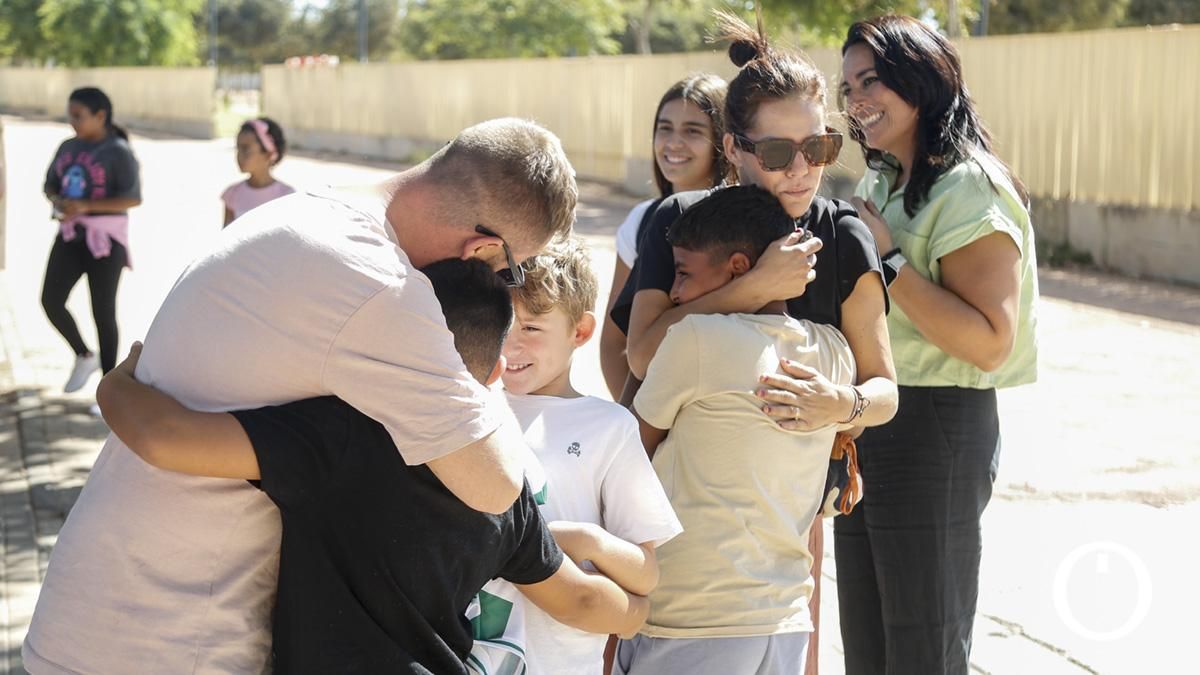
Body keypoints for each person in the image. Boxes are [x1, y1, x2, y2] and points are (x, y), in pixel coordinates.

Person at [24, 117, 578, 674]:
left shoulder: (301, 213)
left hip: (103, 610)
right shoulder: (380, 286)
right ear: (483, 250)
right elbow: (494, 485)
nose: (506, 279)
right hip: (172, 638)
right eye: (513, 269)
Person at [93, 258, 649, 674]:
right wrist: (638, 607)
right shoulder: (504, 486)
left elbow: (161, 437)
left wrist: (119, 377)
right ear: (496, 370)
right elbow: (581, 600)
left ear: (400, 344)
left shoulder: (338, 435)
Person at [611, 12, 900, 673]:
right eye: (777, 153)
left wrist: (841, 404)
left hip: (788, 517)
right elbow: (643, 352)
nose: (802, 170)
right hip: (677, 530)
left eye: (819, 147)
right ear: (734, 148)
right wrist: (754, 286)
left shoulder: (845, 235)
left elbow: (884, 389)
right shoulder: (678, 220)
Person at [835, 16, 1040, 675]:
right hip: (869, 417)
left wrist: (889, 259)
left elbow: (988, 342)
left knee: (923, 647)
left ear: (920, 81)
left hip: (937, 427)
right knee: (868, 645)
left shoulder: (968, 187)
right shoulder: (880, 182)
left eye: (871, 81)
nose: (856, 100)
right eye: (847, 87)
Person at [616, 185, 856, 675]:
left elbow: (628, 455)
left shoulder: (695, 339)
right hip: (786, 621)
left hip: (692, 617)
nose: (676, 293)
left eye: (684, 273)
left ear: (741, 270)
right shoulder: (834, 350)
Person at [469, 238, 681, 675]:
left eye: (531, 328)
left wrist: (585, 540)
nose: (511, 345)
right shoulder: (466, 408)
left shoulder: (608, 426)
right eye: (502, 323)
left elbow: (646, 575)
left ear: (580, 332)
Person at [599, 73, 728, 398]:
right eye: (664, 128)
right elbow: (615, 343)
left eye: (693, 131)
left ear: (724, 141)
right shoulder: (640, 220)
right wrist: (637, 430)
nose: (673, 142)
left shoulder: (747, 222)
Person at [41, 87, 141, 394]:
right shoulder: (68, 146)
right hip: (71, 235)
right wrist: (59, 201)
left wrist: (86, 206)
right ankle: (84, 355)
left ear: (101, 116)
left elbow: (132, 198)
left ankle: (110, 390)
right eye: (70, 115)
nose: (72, 121)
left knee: (103, 312)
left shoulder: (118, 151)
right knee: (51, 300)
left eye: (78, 116)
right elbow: (50, 185)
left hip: (105, 241)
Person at [221, 117, 295, 226]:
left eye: (246, 148)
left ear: (268, 154)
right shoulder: (232, 194)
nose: (239, 155)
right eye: (238, 148)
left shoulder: (286, 196)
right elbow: (225, 240)